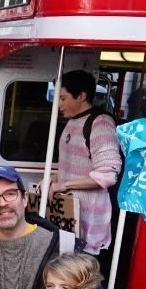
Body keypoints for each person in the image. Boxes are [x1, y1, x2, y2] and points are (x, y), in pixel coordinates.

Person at [51, 70, 121, 256]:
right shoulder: (73, 121)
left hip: (88, 224)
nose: (59, 105)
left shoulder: (100, 124)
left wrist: (64, 185)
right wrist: (55, 179)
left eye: (64, 98)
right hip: (69, 218)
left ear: (82, 96)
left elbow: (108, 175)